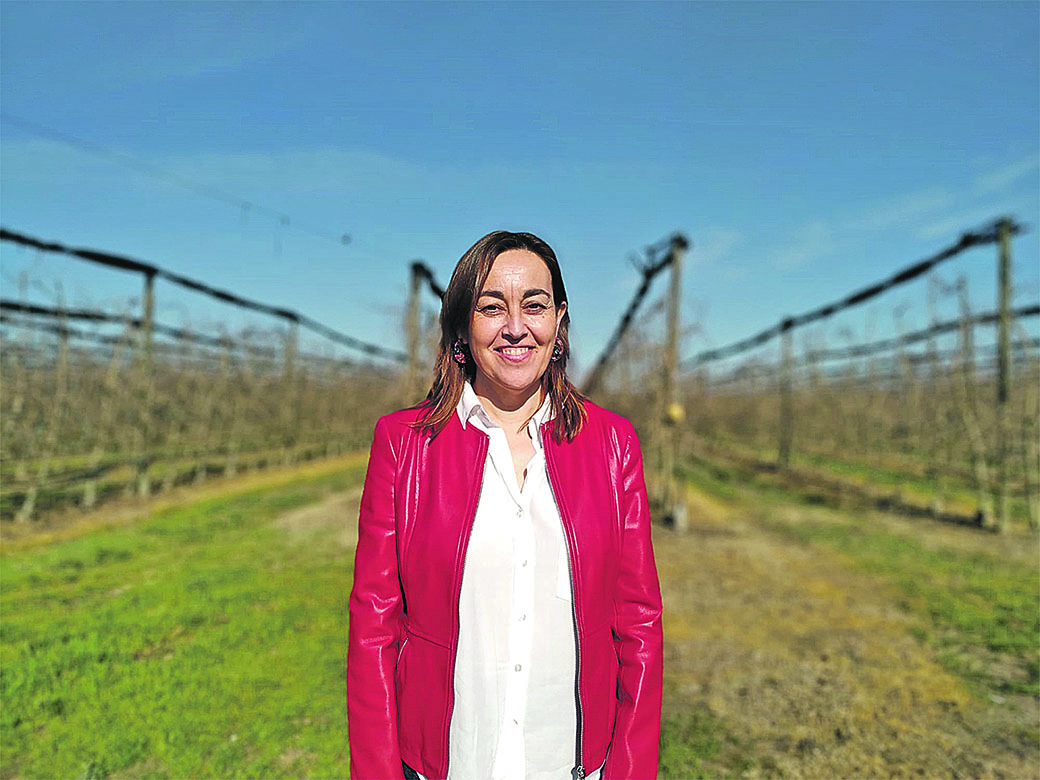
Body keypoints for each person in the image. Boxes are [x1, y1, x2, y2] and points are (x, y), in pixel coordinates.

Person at [347, 230, 663, 780]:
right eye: (492, 307)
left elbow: (639, 625)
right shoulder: (403, 445)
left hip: (573, 766)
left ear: (558, 322)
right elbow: (374, 627)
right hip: (445, 765)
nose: (516, 326)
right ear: (463, 327)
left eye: (534, 306)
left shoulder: (614, 444)